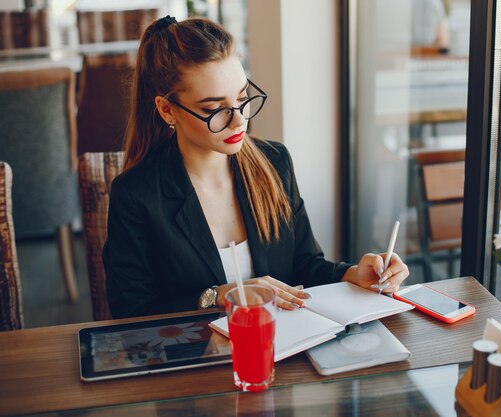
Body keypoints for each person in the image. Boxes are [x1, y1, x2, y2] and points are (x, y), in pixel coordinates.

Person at [103, 15, 410, 319]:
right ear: (167, 110)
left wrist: (352, 274)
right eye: (214, 109)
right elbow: (131, 312)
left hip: (282, 350)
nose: (239, 119)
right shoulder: (136, 195)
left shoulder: (274, 163)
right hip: (199, 361)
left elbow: (304, 266)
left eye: (242, 97)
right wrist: (218, 296)